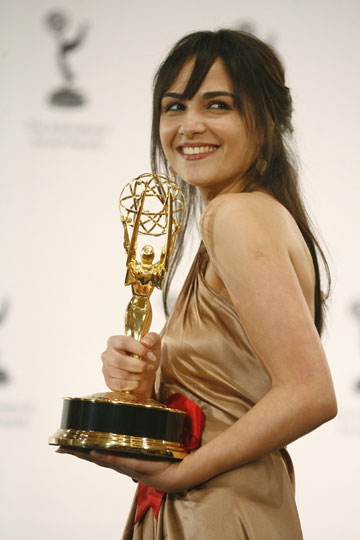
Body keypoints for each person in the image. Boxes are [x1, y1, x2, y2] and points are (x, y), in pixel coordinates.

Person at [59, 29, 337, 539]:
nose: (189, 126)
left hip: (214, 509)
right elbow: (235, 395)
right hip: (219, 503)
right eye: (174, 106)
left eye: (218, 105)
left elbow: (310, 393)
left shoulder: (235, 216)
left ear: (268, 119)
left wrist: (181, 473)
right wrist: (151, 391)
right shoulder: (252, 215)